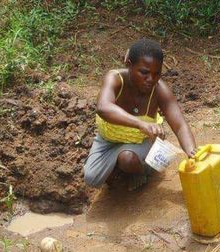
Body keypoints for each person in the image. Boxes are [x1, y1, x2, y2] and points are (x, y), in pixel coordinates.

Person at [84, 39, 196, 191]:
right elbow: (103, 108)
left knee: (128, 160)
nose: (151, 79)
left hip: (140, 141)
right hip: (108, 140)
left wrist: (192, 154)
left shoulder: (159, 89)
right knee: (91, 178)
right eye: (144, 72)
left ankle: (143, 170)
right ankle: (121, 169)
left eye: (157, 74)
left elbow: (180, 125)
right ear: (129, 64)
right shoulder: (115, 79)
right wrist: (141, 124)